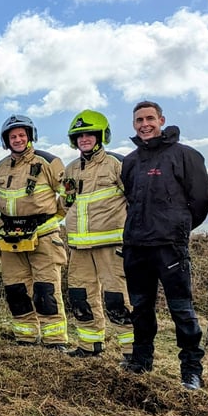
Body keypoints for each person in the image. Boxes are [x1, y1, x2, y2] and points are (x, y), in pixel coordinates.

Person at [120, 100, 208, 391]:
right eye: (139, 120)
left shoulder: (185, 155)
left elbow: (202, 199)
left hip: (170, 247)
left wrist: (178, 228)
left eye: (150, 118)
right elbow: (130, 198)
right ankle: (141, 361)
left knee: (181, 310)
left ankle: (191, 371)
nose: (144, 124)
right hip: (136, 245)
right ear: (134, 124)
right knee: (140, 308)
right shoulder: (131, 161)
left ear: (161, 120)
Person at [0, 115, 70, 350]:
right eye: (13, 136)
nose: (17, 139)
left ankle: (55, 341)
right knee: (16, 289)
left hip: (43, 236)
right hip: (12, 237)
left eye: (21, 135)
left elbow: (68, 193)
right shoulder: (1, 167)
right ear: (6, 140)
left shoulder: (49, 162)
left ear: (30, 136)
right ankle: (25, 337)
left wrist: (54, 217)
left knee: (46, 289)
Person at [62, 110, 134, 361]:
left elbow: (134, 200)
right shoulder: (71, 169)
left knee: (118, 299)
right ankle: (89, 344)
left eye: (90, 134)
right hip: (79, 248)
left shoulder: (117, 164)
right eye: (79, 136)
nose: (84, 139)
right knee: (80, 297)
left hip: (111, 245)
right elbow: (67, 203)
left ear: (101, 135)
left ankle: (131, 351)